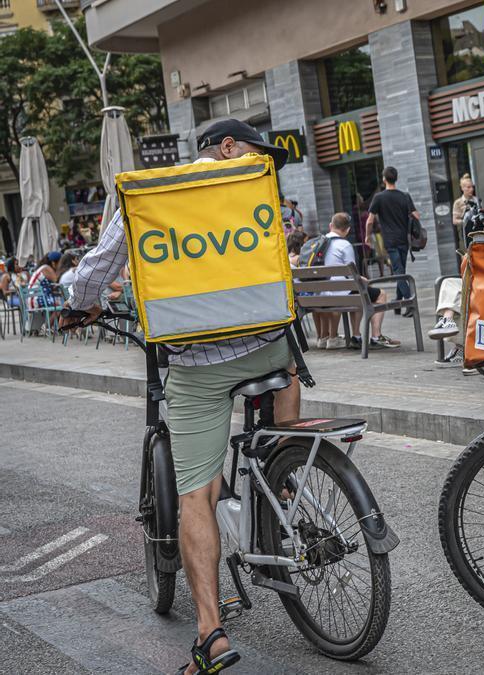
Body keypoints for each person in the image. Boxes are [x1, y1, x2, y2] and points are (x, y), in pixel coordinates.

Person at [67, 118, 300, 675]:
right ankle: (283, 475)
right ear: (225, 147)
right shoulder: (252, 186)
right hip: (268, 346)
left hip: (198, 364)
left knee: (197, 494)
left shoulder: (153, 195)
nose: (257, 159)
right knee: (289, 364)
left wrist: (82, 300)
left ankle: (210, 633)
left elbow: (99, 267)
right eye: (251, 149)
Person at [314, 212, 398, 350]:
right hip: (340, 293)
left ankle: (357, 336)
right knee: (380, 294)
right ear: (347, 230)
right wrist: (364, 280)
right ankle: (376, 337)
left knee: (357, 291)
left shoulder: (319, 243)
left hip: (322, 293)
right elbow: (352, 274)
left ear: (330, 226)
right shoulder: (344, 245)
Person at [364, 167, 419, 316]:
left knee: (399, 272)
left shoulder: (379, 198)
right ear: (396, 178)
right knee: (400, 270)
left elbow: (369, 221)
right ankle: (397, 302)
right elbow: (416, 216)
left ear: (383, 179)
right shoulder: (405, 196)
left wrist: (368, 236)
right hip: (404, 240)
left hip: (391, 240)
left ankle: (410, 302)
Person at [452, 173, 479, 244]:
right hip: (464, 233)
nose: (471, 189)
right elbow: (454, 220)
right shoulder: (458, 202)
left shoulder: (477, 200)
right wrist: (466, 221)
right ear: (462, 188)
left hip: (477, 232)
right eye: (468, 187)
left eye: (472, 187)